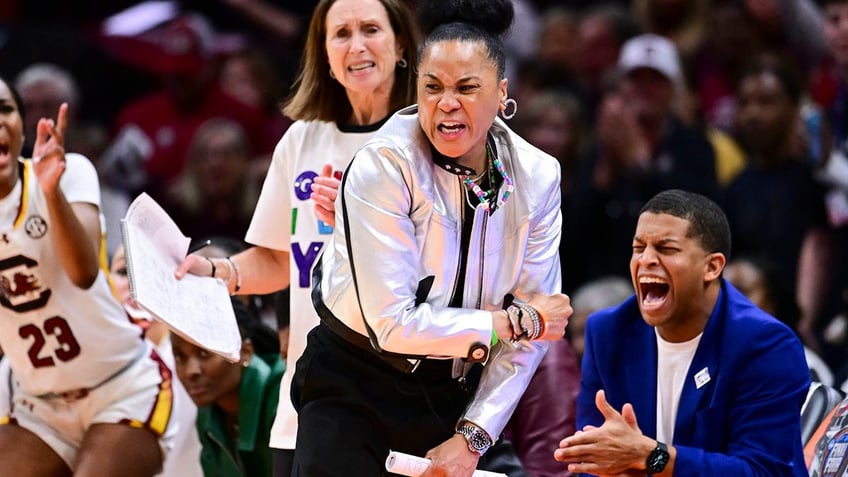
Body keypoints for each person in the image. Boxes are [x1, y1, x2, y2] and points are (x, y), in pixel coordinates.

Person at [294, 0, 571, 474]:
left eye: (467, 88)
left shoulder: (539, 176)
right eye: (433, 87)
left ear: (502, 92)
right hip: (354, 384)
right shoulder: (384, 162)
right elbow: (392, 323)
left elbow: (535, 333)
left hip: (459, 395)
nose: (447, 103)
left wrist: (473, 437)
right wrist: (510, 323)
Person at [173, 0, 421, 475]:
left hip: (400, 394)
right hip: (305, 401)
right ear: (324, 54)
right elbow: (279, 260)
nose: (357, 45)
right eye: (341, 34)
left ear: (402, 44)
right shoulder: (302, 139)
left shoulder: (425, 138)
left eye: (371, 29)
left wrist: (358, 211)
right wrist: (220, 271)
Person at [554, 189, 810, 476]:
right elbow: (591, 459)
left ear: (712, 267)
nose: (646, 260)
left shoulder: (765, 345)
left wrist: (652, 457)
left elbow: (762, 471)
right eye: (639, 248)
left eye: (666, 249)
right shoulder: (609, 333)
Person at [0, 77, 174, 476]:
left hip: (121, 385)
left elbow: (81, 272)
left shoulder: (69, 171)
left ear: (22, 124)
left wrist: (51, 193)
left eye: (5, 109)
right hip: (38, 402)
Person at [109, 244, 204, 477]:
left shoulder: (200, 364)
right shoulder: (90, 357)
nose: (135, 282)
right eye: (123, 272)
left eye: (150, 270)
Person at [170, 297, 285, 477]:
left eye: (204, 353)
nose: (190, 371)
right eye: (180, 357)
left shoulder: (284, 396)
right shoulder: (208, 415)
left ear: (245, 352)